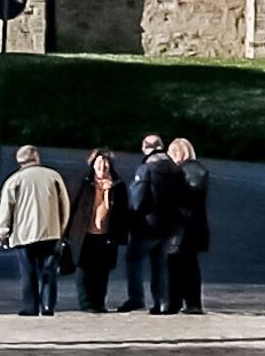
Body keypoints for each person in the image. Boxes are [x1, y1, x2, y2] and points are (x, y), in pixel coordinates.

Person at [0, 144, 68, 314]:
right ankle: (48, 306)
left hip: (23, 235)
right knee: (49, 271)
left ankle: (31, 307)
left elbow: (6, 209)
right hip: (51, 232)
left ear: (19, 161)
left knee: (28, 272)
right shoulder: (53, 176)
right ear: (36, 157)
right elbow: (65, 205)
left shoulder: (14, 180)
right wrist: (62, 229)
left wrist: (2, 231)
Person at [120, 135, 171, 315]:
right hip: (168, 225)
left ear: (145, 147)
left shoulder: (147, 168)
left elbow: (138, 198)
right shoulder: (174, 167)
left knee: (133, 260)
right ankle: (162, 301)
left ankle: (136, 298)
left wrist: (131, 214)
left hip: (146, 225)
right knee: (160, 265)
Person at [163, 135, 210, 316]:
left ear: (177, 153)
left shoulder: (179, 172)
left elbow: (177, 198)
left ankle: (174, 303)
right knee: (191, 266)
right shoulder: (200, 170)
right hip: (195, 227)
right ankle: (193, 303)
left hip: (180, 227)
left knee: (174, 265)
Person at [72, 148, 121, 317]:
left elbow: (123, 213)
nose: (102, 166)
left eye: (106, 163)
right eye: (99, 163)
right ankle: (86, 304)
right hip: (84, 233)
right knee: (84, 270)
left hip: (106, 235)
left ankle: (99, 303)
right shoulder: (84, 182)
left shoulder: (117, 185)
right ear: (92, 164)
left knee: (102, 271)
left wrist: (108, 191)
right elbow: (73, 206)